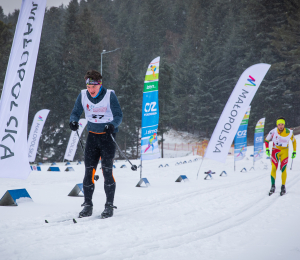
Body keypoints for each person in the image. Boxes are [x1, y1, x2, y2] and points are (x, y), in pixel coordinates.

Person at [69, 70, 123, 218]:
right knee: (88, 172)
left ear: (99, 85)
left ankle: (109, 206)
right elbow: (75, 112)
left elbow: (119, 115)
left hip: (107, 138)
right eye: (89, 87)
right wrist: (73, 121)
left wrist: (112, 124)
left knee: (107, 172)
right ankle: (87, 205)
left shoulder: (109, 95)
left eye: (93, 87)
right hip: (92, 137)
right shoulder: (82, 95)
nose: (91, 90)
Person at [265, 117, 297, 196]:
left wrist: (294, 151)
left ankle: (283, 186)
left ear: (284, 125)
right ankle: (273, 186)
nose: (281, 126)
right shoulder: (273, 131)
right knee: (273, 168)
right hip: (275, 151)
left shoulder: (289, 132)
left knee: (283, 169)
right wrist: (267, 149)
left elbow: (294, 141)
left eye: (282, 124)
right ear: (277, 125)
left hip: (284, 152)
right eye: (279, 125)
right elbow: (266, 140)